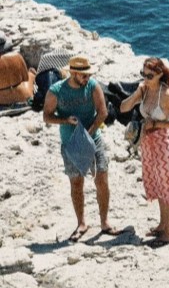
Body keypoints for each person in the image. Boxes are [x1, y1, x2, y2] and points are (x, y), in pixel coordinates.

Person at [42, 56, 117, 242]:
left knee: (102, 178)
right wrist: (65, 120)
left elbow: (103, 112)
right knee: (76, 183)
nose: (87, 78)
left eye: (88, 75)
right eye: (83, 75)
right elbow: (47, 116)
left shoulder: (92, 86)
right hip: (70, 143)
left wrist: (88, 134)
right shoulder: (56, 90)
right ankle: (81, 223)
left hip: (94, 138)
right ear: (73, 73)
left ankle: (105, 222)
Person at [119, 58, 169, 245]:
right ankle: (162, 225)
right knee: (158, 185)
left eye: (150, 75)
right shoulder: (145, 89)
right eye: (143, 74)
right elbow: (124, 107)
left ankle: (168, 231)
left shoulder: (167, 96)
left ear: (160, 74)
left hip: (162, 144)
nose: (146, 78)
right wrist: (137, 92)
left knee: (168, 187)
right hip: (147, 145)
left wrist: (156, 124)